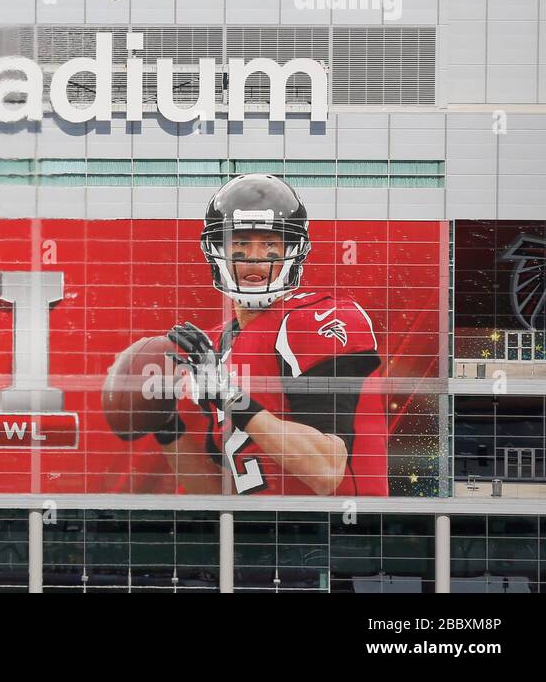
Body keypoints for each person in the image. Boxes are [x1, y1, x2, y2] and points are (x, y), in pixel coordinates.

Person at [149, 173, 388, 497]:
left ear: (293, 250)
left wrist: (230, 396)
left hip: (331, 526)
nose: (255, 256)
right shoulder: (213, 346)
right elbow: (219, 487)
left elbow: (327, 470)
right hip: (254, 525)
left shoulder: (316, 320)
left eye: (269, 243)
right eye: (240, 242)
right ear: (217, 250)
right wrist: (166, 427)